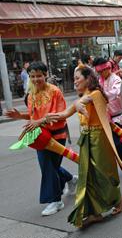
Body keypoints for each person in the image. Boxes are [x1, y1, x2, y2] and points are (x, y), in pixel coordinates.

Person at [46, 66, 122, 228]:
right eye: (74, 78)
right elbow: (65, 114)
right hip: (86, 139)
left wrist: (79, 102)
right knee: (87, 177)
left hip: (99, 139)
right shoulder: (84, 96)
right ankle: (93, 213)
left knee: (103, 174)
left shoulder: (95, 94)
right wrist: (41, 120)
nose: (74, 81)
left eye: (77, 78)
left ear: (88, 79)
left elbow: (84, 102)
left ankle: (117, 199)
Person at [6, 61, 77, 216]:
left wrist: (39, 121)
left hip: (57, 134)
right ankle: (70, 180)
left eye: (39, 76)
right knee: (49, 166)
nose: (36, 79)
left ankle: (55, 201)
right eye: (32, 76)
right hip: (39, 136)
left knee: (49, 166)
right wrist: (19, 116)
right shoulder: (31, 94)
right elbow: (33, 116)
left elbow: (61, 114)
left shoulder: (55, 91)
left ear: (45, 75)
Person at [93, 57, 122, 176]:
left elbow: (113, 94)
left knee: (117, 143)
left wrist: (98, 95)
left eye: (100, 72)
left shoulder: (116, 79)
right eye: (98, 72)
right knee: (111, 144)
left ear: (106, 68)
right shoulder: (100, 80)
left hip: (116, 117)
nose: (99, 74)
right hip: (104, 117)